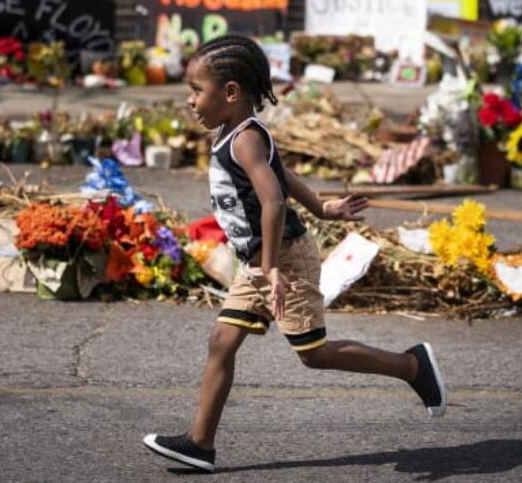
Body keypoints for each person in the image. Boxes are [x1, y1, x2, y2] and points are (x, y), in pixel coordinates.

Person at [143, 35, 446, 473]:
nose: (190, 101)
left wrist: (270, 268)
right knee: (221, 342)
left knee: (314, 352)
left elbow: (273, 200)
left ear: (230, 93)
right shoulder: (234, 132)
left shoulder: (244, 139)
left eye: (196, 90)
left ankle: (412, 366)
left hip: (282, 259)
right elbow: (281, 173)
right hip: (259, 262)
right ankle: (200, 444)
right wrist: (322, 207)